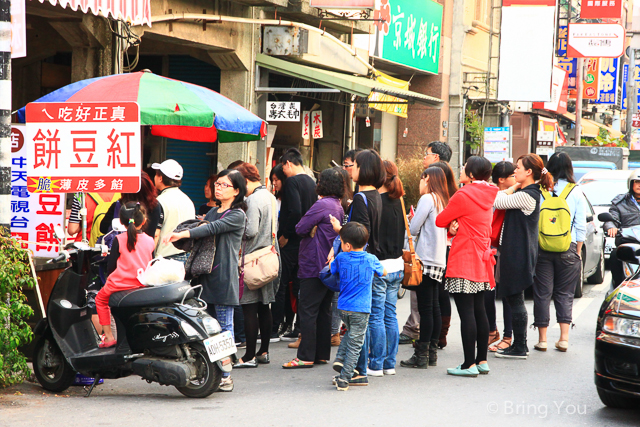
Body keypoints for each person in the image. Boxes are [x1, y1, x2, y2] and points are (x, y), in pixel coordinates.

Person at [163, 169, 247, 392]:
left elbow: (212, 229)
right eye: (217, 184)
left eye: (224, 185)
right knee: (205, 327)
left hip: (224, 277)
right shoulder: (213, 211)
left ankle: (226, 375)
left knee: (224, 328)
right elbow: (203, 227)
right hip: (205, 276)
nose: (218, 188)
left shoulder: (237, 215)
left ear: (236, 191)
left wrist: (182, 235)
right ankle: (213, 371)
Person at [435, 156, 498, 377]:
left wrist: (454, 225)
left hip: (464, 258)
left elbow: (441, 220)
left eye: (464, 167)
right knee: (480, 310)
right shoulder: (489, 193)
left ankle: (468, 364)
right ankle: (482, 361)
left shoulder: (463, 194)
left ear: (471, 175)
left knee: (467, 313)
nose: (461, 169)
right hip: (482, 258)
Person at [329, 149, 385, 384]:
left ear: (365, 169)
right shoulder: (376, 196)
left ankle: (357, 370)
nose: (351, 169)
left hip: (357, 267)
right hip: (369, 265)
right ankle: (361, 367)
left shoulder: (361, 199)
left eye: (355, 165)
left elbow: (359, 234)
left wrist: (339, 230)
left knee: (357, 324)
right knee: (366, 321)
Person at [282, 168, 345, 368]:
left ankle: (305, 355)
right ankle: (320, 353)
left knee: (308, 309)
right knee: (324, 310)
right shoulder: (338, 205)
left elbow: (300, 227)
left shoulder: (321, 204)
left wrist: (311, 228)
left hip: (313, 263)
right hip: (328, 265)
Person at [493, 154, 552, 360]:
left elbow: (498, 200)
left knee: (516, 299)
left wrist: (511, 188)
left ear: (529, 172)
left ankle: (520, 345)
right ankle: (519, 344)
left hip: (519, 253)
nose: (514, 172)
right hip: (517, 251)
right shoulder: (529, 192)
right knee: (513, 297)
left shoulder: (529, 194)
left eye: (518, 168)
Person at [532, 152, 586, 353]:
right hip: (568, 247)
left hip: (543, 247)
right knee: (565, 294)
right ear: (569, 168)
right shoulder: (576, 191)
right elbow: (581, 225)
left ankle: (543, 339)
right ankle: (563, 338)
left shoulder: (541, 190)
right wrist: (578, 250)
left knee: (542, 293)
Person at [230, 163, 280, 368]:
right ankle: (263, 351)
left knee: (249, 306)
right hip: (269, 256)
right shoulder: (269, 195)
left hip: (253, 259)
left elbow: (250, 231)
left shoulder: (252, 199)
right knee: (264, 306)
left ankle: (249, 355)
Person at [401, 167, 449, 369]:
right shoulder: (442, 199)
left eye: (422, 178)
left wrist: (410, 220)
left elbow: (413, 229)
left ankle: (420, 355)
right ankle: (430, 354)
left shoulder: (428, 199)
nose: (420, 182)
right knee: (434, 308)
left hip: (425, 259)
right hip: (438, 259)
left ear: (427, 178)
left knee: (425, 309)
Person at [330, 222, 386, 391]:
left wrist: (334, 257)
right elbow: (383, 272)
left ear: (347, 245)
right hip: (361, 308)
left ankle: (340, 359)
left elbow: (332, 270)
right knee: (356, 343)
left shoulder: (341, 257)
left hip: (344, 307)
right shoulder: (371, 259)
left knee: (351, 333)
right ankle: (344, 378)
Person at [95, 202, 155, 348]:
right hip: (141, 285)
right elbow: (151, 264)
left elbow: (111, 266)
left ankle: (108, 337)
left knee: (100, 300)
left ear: (121, 222)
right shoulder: (150, 240)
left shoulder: (119, 239)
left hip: (118, 286)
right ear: (144, 220)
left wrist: (109, 278)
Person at [274, 148, 318, 343]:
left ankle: (275, 327)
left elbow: (294, 212)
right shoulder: (311, 181)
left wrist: (285, 235)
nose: (284, 173)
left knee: (281, 284)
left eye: (283, 168)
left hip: (291, 241)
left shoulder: (292, 181)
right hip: (306, 240)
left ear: (288, 164)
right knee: (299, 285)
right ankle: (298, 327)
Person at [366, 160, 405, 376]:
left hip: (379, 267)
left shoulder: (375, 202)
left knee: (377, 315)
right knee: (390, 315)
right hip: (397, 266)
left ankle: (376, 363)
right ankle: (389, 363)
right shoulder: (398, 201)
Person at [487, 161, 515, 353]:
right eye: (512, 175)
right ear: (502, 180)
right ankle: (492, 330)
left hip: (503, 247)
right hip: (491, 245)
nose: (516, 178)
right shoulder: (493, 193)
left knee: (504, 293)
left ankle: (506, 335)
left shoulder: (518, 195)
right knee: (488, 291)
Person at [153, 159, 196, 262]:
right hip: (187, 258)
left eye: (156, 175)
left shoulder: (160, 201)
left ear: (160, 178)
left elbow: (156, 234)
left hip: (165, 259)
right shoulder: (188, 200)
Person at [100, 172, 161, 244]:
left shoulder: (118, 206)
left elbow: (103, 228)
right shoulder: (154, 206)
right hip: (144, 252)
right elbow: (151, 233)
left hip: (120, 251)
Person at [604, 169, 640, 289]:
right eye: (636, 181)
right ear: (631, 184)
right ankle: (618, 287)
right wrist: (611, 227)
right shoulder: (620, 202)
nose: (639, 185)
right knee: (615, 256)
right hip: (628, 243)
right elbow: (611, 218)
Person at [330, 167, 353, 346]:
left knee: (335, 294)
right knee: (339, 294)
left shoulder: (341, 203)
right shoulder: (350, 201)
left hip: (338, 250)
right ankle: (335, 332)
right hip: (344, 250)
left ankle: (333, 332)